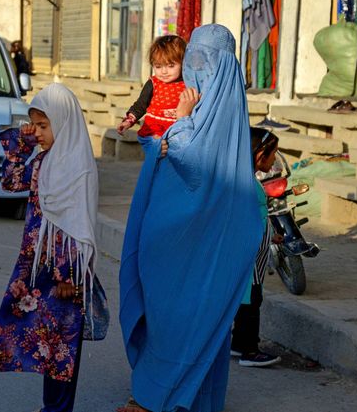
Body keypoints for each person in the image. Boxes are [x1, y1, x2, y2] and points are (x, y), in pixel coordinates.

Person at [117, 24, 263, 412]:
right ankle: (167, 394)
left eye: (203, 60)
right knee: (171, 317)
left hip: (200, 240)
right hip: (176, 236)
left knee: (193, 320)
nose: (195, 69)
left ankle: (161, 398)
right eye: (192, 58)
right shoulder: (214, 102)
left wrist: (180, 120)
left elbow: (193, 162)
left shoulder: (216, 107)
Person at [0, 83, 103, 412]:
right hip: (37, 265)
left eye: (43, 126)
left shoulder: (79, 167)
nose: (37, 132)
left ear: (64, 121)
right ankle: (50, 407)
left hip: (66, 273)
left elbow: (79, 223)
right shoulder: (41, 161)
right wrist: (21, 144)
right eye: (34, 125)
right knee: (42, 342)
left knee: (62, 347)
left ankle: (58, 409)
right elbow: (10, 182)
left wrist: (69, 275)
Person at [231, 128, 283, 368]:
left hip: (254, 254)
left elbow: (257, 218)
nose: (274, 159)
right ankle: (249, 350)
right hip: (248, 256)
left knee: (247, 300)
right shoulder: (246, 186)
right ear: (260, 154)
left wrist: (271, 236)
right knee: (251, 302)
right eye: (273, 154)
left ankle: (238, 344)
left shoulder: (245, 181)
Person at [117, 35, 187, 140]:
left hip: (177, 133)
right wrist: (128, 121)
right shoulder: (153, 83)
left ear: (183, 63)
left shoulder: (188, 83)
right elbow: (140, 105)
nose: (164, 71)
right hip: (153, 132)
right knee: (157, 148)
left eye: (171, 66)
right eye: (158, 66)